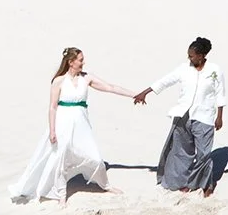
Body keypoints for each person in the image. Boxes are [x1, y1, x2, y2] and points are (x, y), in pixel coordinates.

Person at [9, 47, 140, 206]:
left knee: (95, 157)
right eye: (80, 59)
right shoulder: (58, 81)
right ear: (71, 62)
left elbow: (110, 87)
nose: (83, 62)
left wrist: (135, 94)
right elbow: (52, 107)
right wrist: (52, 130)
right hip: (62, 123)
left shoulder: (87, 78)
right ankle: (61, 194)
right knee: (61, 158)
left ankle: (105, 185)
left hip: (81, 124)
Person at [133, 37, 226, 197]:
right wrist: (145, 92)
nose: (189, 58)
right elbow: (165, 81)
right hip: (183, 116)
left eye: (192, 56)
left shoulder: (214, 70)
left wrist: (219, 117)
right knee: (182, 152)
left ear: (202, 55)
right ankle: (187, 182)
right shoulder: (184, 69)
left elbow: (220, 94)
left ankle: (207, 185)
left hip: (204, 117)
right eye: (188, 55)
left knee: (203, 154)